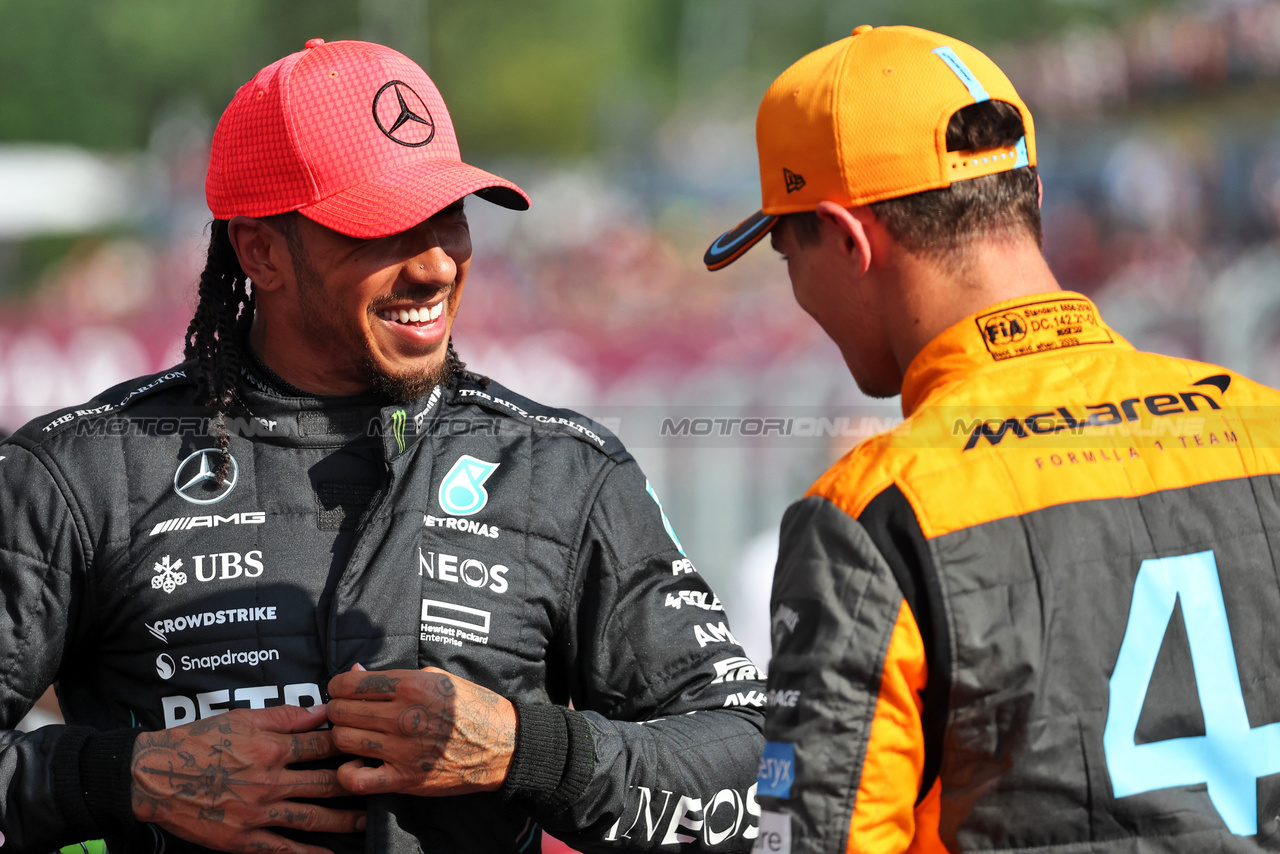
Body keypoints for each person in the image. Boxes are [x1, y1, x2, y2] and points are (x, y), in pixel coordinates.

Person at [0, 39, 765, 854]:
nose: (437, 264)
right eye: (386, 228)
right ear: (259, 250)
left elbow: (751, 766)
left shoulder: (563, 473)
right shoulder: (84, 472)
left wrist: (529, 752)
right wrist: (125, 778)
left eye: (451, 217)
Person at [704, 23, 1280, 853]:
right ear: (1032, 197)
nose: (794, 287)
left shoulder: (874, 511)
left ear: (845, 237)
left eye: (785, 251)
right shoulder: (1263, 428)